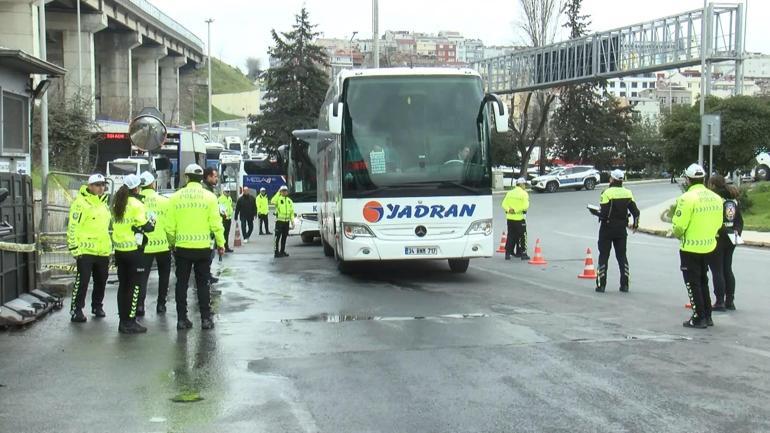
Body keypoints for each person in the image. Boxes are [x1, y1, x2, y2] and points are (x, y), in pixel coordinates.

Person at [166, 164, 225, 331]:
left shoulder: (175, 197)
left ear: (186, 177)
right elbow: (216, 224)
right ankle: (206, 319)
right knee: (203, 284)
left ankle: (181, 319)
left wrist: (172, 243)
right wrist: (221, 244)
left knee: (182, 284)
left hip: (182, 248)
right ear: (201, 178)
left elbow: (169, 226)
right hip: (203, 248)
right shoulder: (209, 198)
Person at [672, 163, 724, 328]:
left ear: (688, 179)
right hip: (709, 245)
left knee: (692, 283)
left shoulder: (687, 198)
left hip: (690, 247)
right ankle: (707, 316)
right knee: (703, 280)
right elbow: (719, 223)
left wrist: (677, 234)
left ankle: (698, 317)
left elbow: (679, 226)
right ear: (703, 179)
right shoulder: (715, 198)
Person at [111, 174, 155, 334]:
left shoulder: (117, 202)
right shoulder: (136, 204)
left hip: (120, 250)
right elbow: (147, 226)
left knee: (123, 287)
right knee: (134, 287)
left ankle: (123, 321)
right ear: (136, 188)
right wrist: (152, 222)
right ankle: (130, 321)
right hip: (134, 251)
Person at [67, 174, 111, 322]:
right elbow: (73, 227)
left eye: (103, 185)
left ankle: (97, 306)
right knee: (83, 281)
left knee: (101, 280)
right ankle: (76, 309)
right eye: (97, 185)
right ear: (90, 186)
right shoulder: (80, 203)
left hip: (102, 251)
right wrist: (74, 248)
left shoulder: (104, 204)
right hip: (85, 251)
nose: (101, 188)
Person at [594, 169, 640, 293]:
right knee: (622, 256)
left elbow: (603, 214)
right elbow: (636, 212)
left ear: (612, 180)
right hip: (621, 229)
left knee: (604, 255)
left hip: (607, 229)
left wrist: (596, 212)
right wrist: (635, 225)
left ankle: (601, 285)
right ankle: (624, 285)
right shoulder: (628, 193)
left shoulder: (606, 193)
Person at [138, 171, 172, 315]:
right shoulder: (164, 201)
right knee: (164, 276)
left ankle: (140, 305)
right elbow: (170, 225)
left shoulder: (137, 201)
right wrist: (172, 242)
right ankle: (161, 304)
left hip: (143, 246)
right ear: (153, 184)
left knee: (141, 277)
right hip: (163, 245)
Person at [708, 174, 744, 311]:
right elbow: (739, 220)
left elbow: (715, 220)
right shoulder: (733, 199)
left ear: (712, 185)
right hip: (732, 236)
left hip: (718, 237)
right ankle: (730, 301)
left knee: (717, 270)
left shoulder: (715, 199)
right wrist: (736, 231)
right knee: (727, 268)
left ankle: (719, 302)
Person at [501, 177, 530, 261]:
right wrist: (516, 210)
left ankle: (508, 253)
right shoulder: (524, 194)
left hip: (510, 218)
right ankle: (523, 253)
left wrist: (509, 210)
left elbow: (503, 204)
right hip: (519, 218)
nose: (525, 186)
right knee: (523, 236)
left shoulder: (509, 193)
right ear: (521, 184)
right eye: (524, 184)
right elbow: (525, 206)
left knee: (510, 235)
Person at [271, 185, 294, 258]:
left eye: (285, 191)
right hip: (279, 222)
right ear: (280, 192)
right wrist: (278, 193)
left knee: (284, 237)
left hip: (286, 222)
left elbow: (292, 212)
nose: (284, 192)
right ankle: (276, 252)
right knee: (277, 238)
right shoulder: (278, 199)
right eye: (282, 191)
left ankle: (282, 251)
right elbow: (272, 201)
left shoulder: (289, 201)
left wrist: (292, 221)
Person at [218, 186, 234, 253]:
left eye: (228, 192)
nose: (228, 193)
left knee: (227, 233)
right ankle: (222, 247)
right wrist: (223, 215)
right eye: (226, 192)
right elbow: (220, 208)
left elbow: (230, 207)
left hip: (228, 218)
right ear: (223, 192)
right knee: (222, 233)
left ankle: (226, 246)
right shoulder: (221, 199)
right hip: (223, 218)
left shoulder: (229, 198)